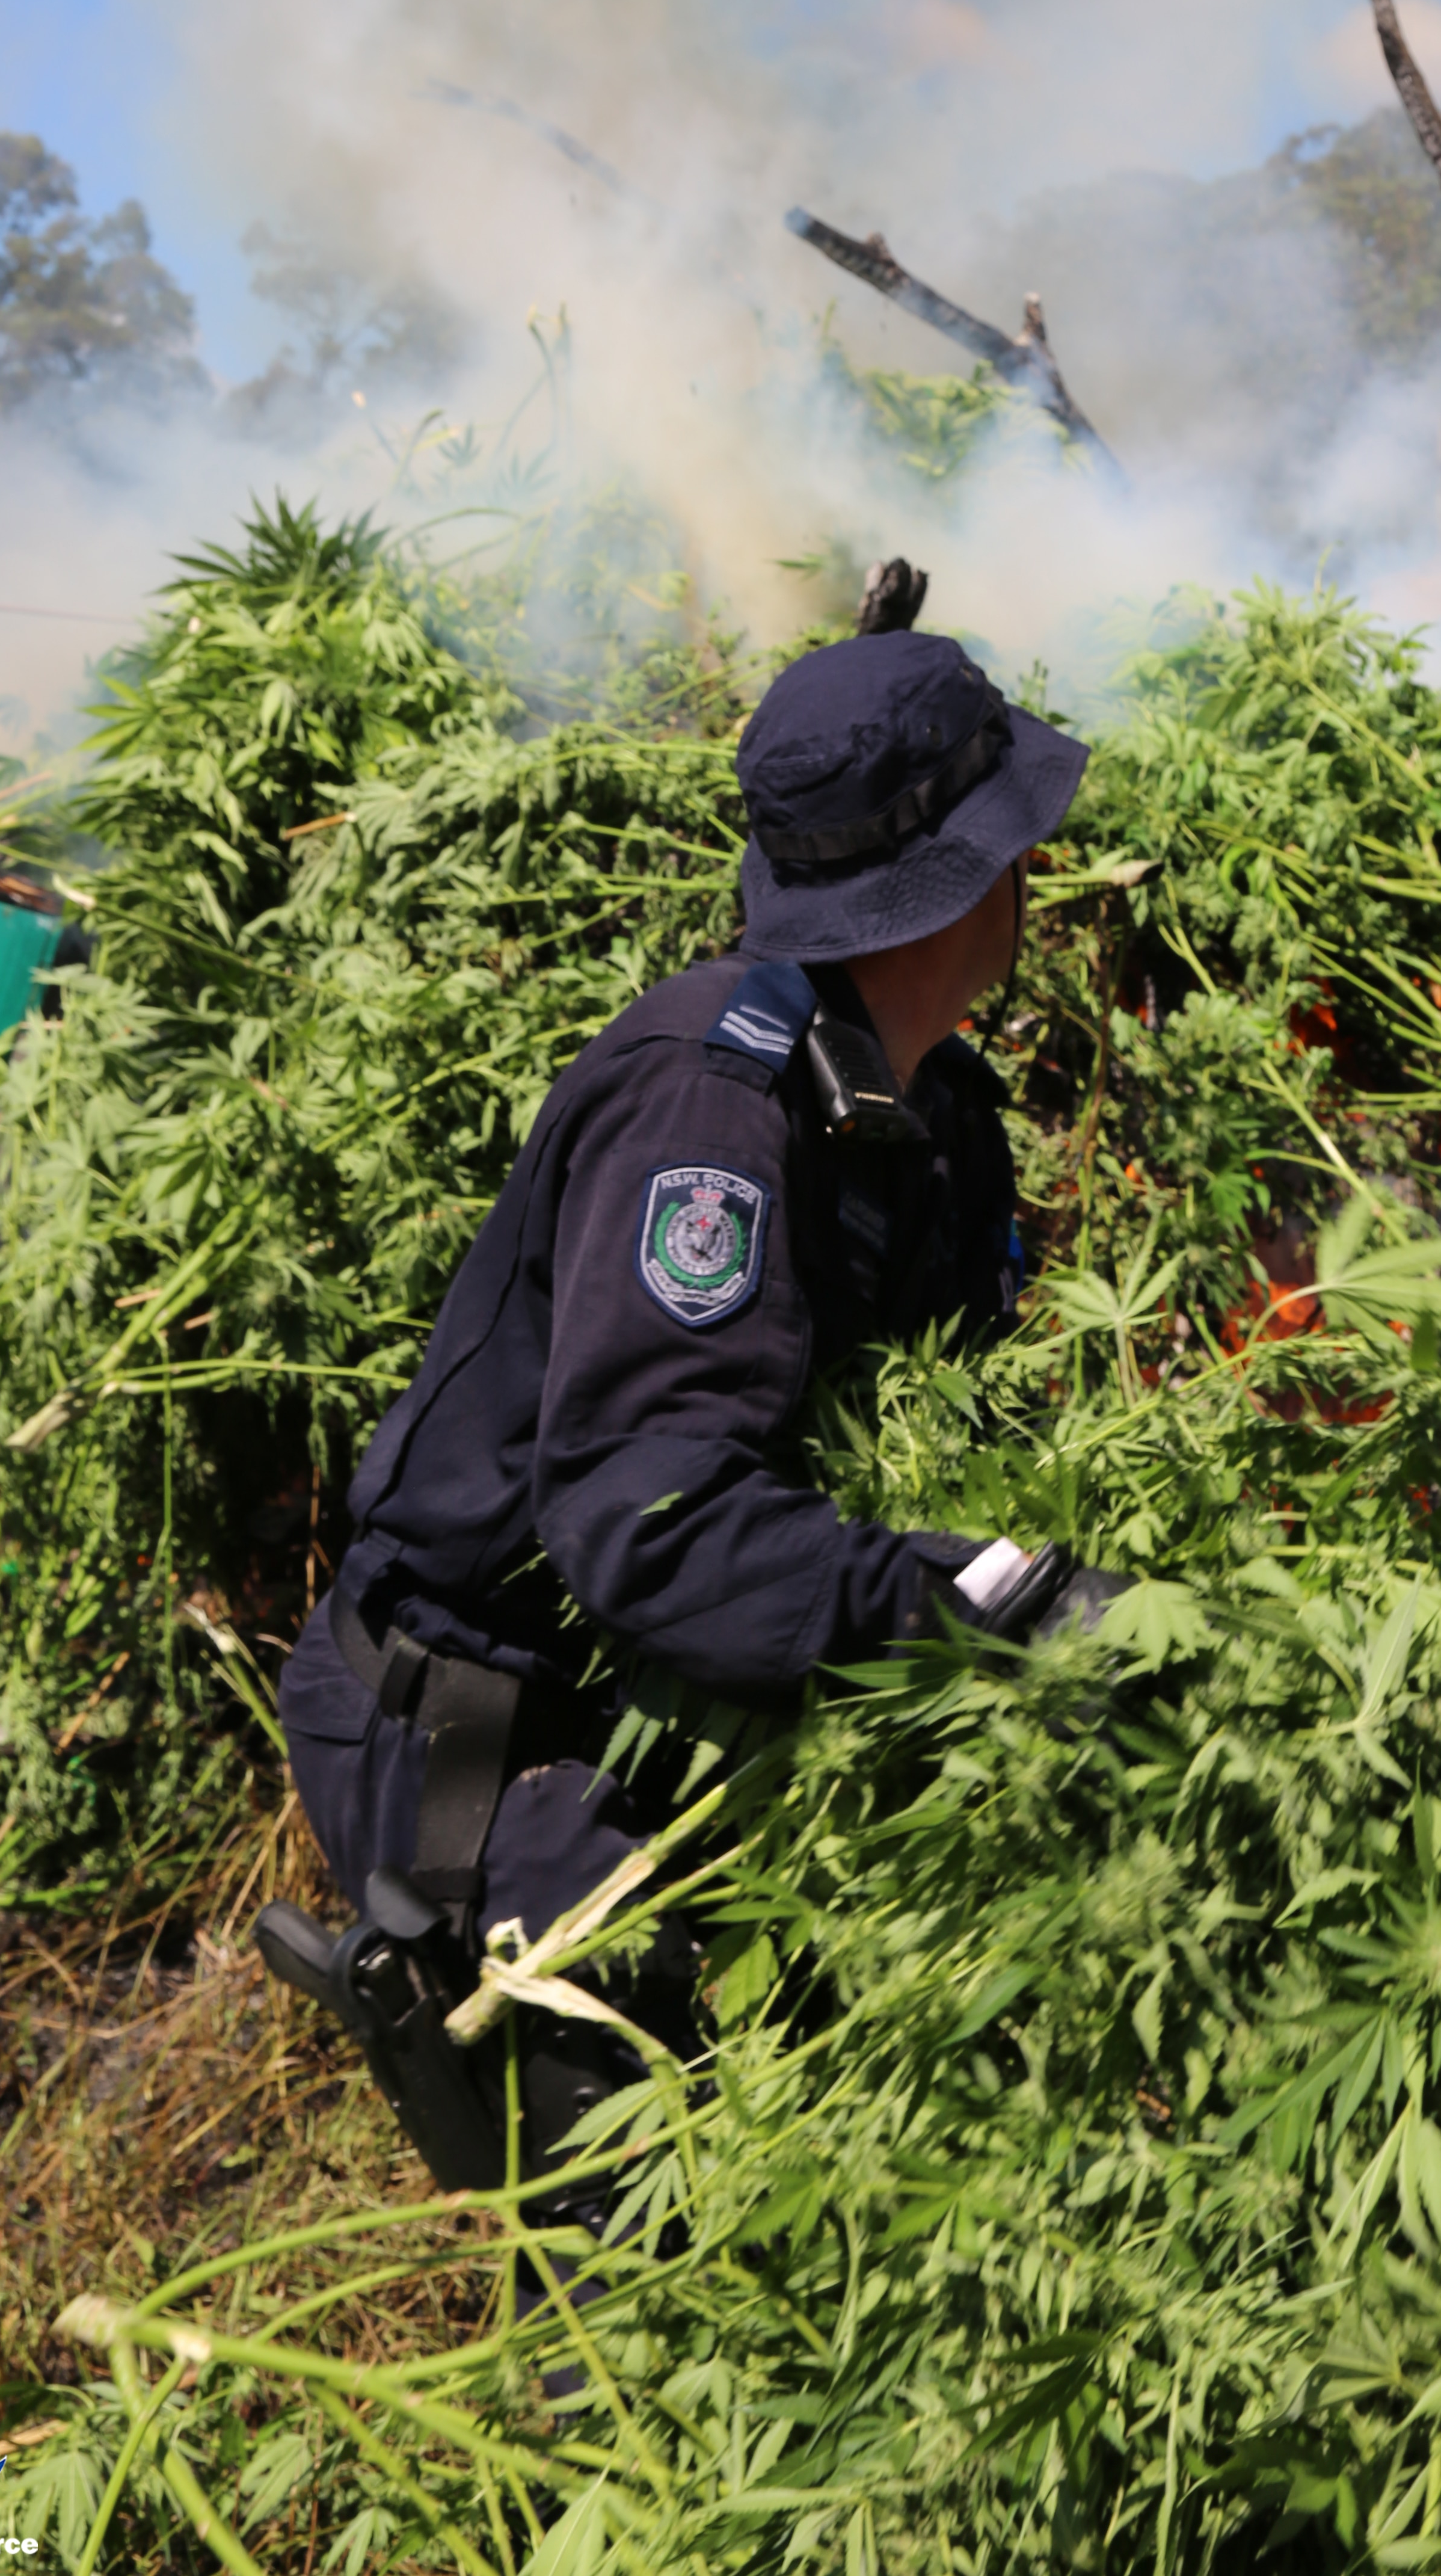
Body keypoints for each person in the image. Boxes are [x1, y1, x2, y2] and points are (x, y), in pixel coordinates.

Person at [275, 576, 1116, 2163]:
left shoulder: (938, 1116)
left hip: (694, 1715)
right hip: (504, 1750)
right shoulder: (707, 1109)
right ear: (965, 884)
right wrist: (996, 1602)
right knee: (659, 2277)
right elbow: (652, 1525)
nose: (1038, 871)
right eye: (1018, 839)